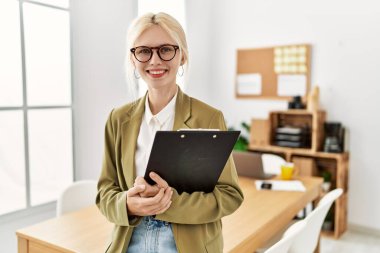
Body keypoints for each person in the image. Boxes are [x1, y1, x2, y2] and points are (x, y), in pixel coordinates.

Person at [96, 12, 244, 253]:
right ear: (133, 59)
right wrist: (128, 204)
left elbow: (230, 195)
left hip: (188, 244)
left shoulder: (208, 117)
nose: (155, 60)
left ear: (182, 55)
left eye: (166, 49)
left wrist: (168, 203)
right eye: (143, 51)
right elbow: (105, 193)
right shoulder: (117, 119)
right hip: (130, 240)